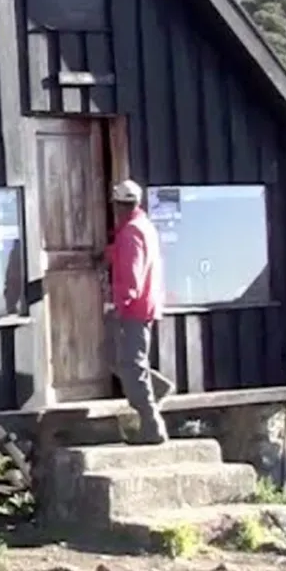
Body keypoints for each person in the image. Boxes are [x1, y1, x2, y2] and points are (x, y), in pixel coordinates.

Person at [104, 179, 174, 444]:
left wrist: (118, 306)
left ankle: (152, 425)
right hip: (145, 306)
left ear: (120, 205)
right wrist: (109, 254)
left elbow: (132, 276)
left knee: (131, 365)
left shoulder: (131, 232)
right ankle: (156, 394)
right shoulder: (142, 227)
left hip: (134, 309)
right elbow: (128, 256)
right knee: (128, 361)